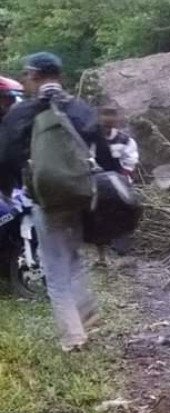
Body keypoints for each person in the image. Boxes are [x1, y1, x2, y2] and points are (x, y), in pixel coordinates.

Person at [0, 52, 114, 352]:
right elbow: (102, 151)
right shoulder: (79, 108)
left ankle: (73, 338)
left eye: (27, 76)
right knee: (73, 256)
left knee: (54, 270)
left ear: (33, 76)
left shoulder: (22, 114)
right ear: (60, 76)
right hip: (80, 196)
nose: (25, 81)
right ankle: (86, 311)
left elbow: (7, 155)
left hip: (45, 198)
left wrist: (11, 185)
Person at [95, 105, 139, 265]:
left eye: (110, 123)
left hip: (119, 186)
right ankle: (101, 257)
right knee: (97, 219)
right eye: (104, 123)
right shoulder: (91, 140)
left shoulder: (125, 141)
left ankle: (122, 250)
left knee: (122, 217)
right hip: (97, 185)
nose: (107, 127)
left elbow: (130, 163)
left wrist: (122, 180)